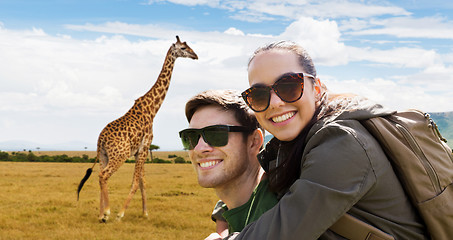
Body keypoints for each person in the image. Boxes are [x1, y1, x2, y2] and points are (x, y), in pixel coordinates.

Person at [213, 41, 429, 239]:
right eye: (258, 95)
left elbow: (284, 231)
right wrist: (223, 214)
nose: (275, 103)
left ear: (315, 89)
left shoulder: (344, 143)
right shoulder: (293, 145)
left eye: (289, 86)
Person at [179, 89, 278, 238]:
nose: (199, 149)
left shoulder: (278, 213)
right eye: (191, 137)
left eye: (216, 134)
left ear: (254, 141)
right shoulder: (236, 206)